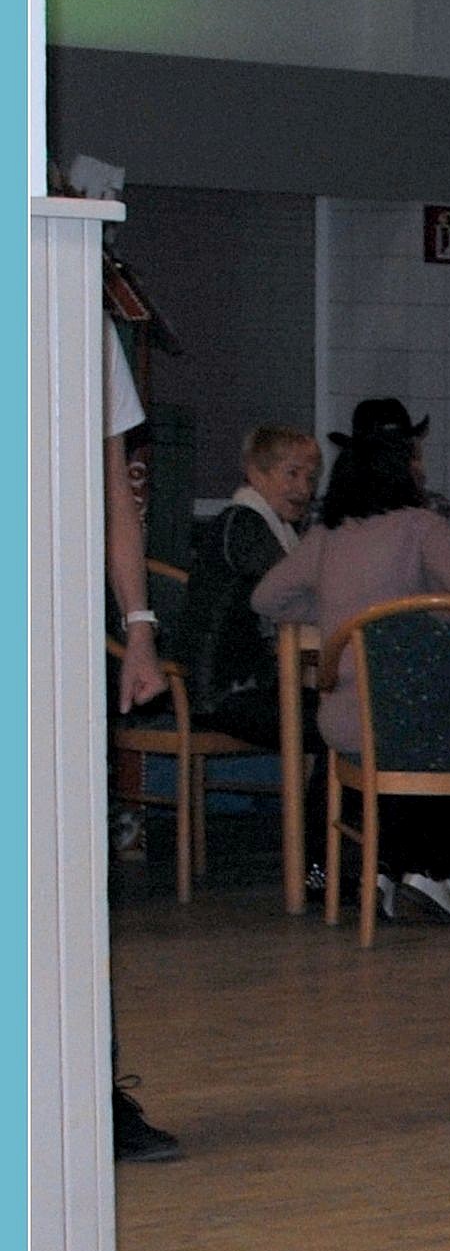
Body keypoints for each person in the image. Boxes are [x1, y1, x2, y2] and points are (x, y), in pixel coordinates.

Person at [250, 399, 450, 922]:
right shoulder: (424, 526)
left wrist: (338, 612)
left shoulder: (325, 535)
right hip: (413, 718)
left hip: (345, 722)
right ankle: (426, 870)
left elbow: (266, 598)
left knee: (386, 754)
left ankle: (377, 867)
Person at [103, 322, 180, 1161]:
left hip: (55, 641)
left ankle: (95, 1088)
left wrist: (140, 628)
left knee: (78, 884)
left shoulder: (80, 323)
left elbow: (113, 494)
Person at [178, 425, 322, 771]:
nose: (304, 488)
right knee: (341, 722)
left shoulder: (273, 528)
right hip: (222, 692)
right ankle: (321, 808)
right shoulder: (244, 525)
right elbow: (296, 591)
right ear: (256, 473)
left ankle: (320, 806)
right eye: (292, 473)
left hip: (250, 686)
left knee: (344, 714)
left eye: (311, 477)